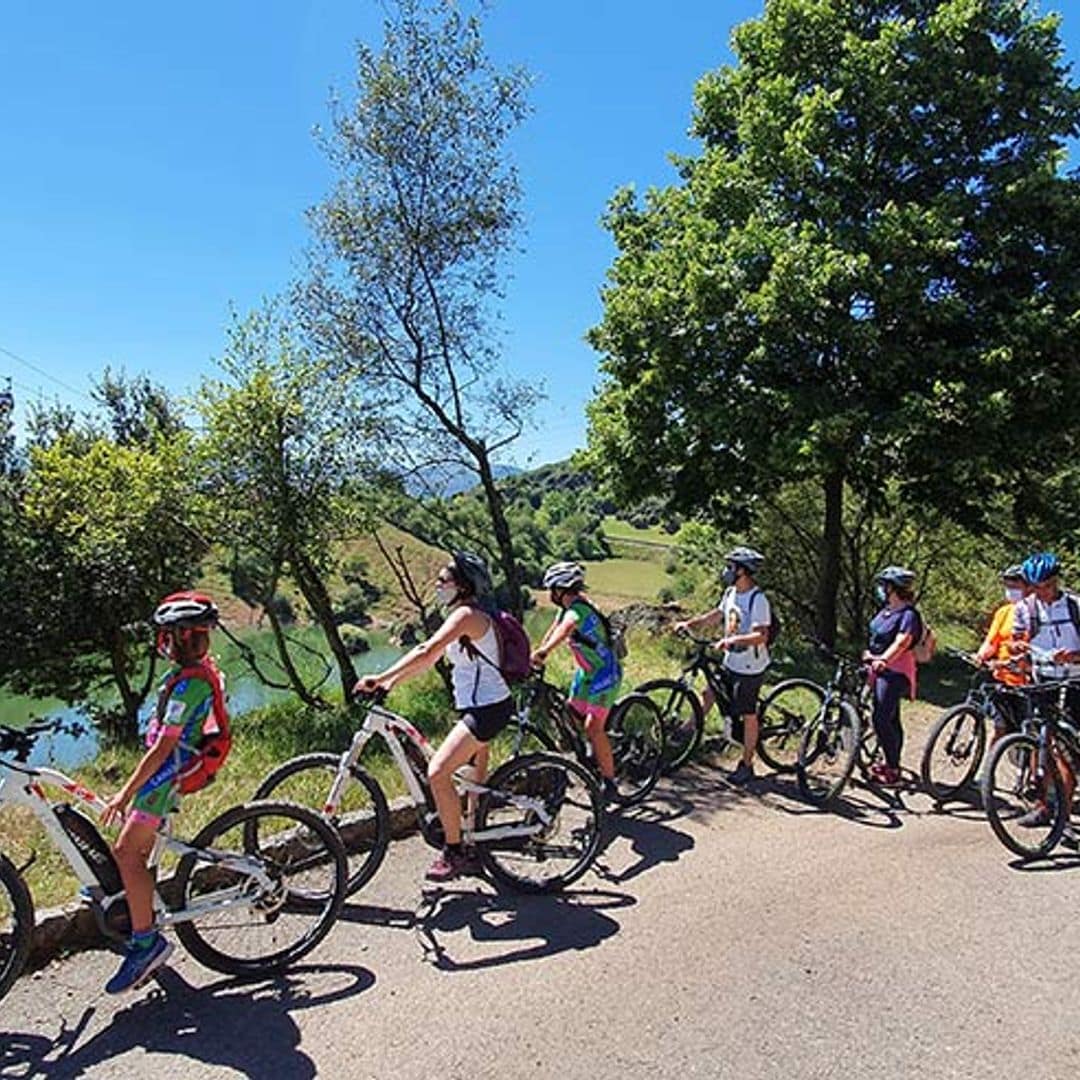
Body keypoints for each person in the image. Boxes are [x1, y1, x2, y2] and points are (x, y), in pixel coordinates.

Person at [356, 551, 514, 882]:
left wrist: (380, 677)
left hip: (486, 709)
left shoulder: (466, 615)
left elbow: (425, 651)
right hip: (484, 705)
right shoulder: (465, 614)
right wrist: (391, 684)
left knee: (438, 773)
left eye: (443, 581)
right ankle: (471, 840)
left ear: (463, 586)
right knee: (471, 783)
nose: (437, 585)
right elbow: (429, 660)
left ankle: (455, 852)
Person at [100, 591, 229, 994]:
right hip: (163, 774)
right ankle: (144, 916)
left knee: (125, 852)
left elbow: (162, 750)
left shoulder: (189, 685)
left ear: (174, 639)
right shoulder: (193, 674)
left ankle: (146, 944)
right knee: (138, 853)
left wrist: (125, 792)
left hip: (163, 779)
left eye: (167, 637)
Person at [672, 546, 771, 785]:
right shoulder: (730, 593)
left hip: (750, 667)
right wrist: (689, 624)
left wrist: (732, 640)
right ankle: (688, 731)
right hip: (731, 661)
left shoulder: (758, 600)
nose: (727, 571)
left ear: (743, 571)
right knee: (710, 692)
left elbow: (761, 636)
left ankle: (747, 764)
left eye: (731, 567)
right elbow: (716, 615)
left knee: (747, 715)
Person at [531, 561, 622, 803]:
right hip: (586, 673)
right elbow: (554, 630)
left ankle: (610, 781)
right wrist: (538, 651)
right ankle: (593, 751)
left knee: (593, 727)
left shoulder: (577, 610)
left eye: (552, 589)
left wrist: (545, 653)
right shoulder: (565, 609)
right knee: (570, 713)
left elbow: (566, 629)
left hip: (605, 673)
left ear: (562, 589)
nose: (550, 595)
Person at [1009, 551, 1080, 836]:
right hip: (1042, 682)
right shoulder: (1025, 609)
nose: (1043, 592)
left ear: (1056, 581)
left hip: (1075, 682)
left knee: (1068, 751)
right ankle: (1043, 807)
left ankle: (1061, 808)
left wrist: (1075, 656)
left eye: (1047, 585)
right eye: (1037, 587)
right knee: (1043, 743)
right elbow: (1016, 641)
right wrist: (1017, 650)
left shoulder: (1075, 606)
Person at [862, 566, 921, 787]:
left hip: (896, 671)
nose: (881, 589)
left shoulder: (909, 614)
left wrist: (883, 660)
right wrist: (869, 654)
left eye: (883, 585)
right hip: (876, 668)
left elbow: (902, 642)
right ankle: (890, 760)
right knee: (891, 718)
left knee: (881, 718)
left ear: (891, 588)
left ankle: (893, 769)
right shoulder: (886, 610)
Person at [975, 564, 1030, 736]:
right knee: (999, 728)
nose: (1010, 591)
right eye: (1008, 587)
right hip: (1003, 679)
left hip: (1029, 683)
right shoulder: (1003, 612)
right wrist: (981, 656)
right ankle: (990, 762)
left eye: (1015, 587)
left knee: (1031, 732)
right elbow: (992, 642)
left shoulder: (1035, 612)